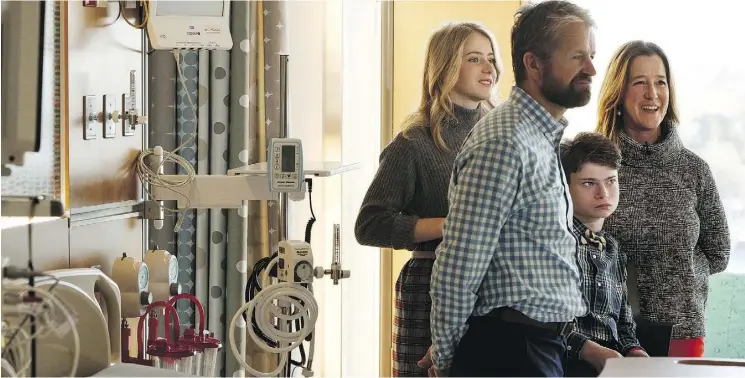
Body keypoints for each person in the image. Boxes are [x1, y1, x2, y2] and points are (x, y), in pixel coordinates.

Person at [422, 1, 596, 376]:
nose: (591, 69)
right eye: (578, 56)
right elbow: (458, 267)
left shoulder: (538, 135)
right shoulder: (506, 141)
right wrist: (449, 359)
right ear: (533, 64)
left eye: (591, 56)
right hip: (511, 352)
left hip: (537, 347)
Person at [354, 22, 503, 377]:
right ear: (446, 66)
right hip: (427, 289)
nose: (489, 69)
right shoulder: (413, 142)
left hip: (494, 288)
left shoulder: (503, 137)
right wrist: (449, 226)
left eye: (492, 59)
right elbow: (369, 225)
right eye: (474, 58)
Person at [595, 40, 731, 358]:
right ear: (619, 92)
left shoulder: (694, 169)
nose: (652, 94)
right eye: (639, 82)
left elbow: (719, 252)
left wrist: (678, 279)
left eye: (660, 82)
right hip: (607, 332)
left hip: (681, 332)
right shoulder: (593, 164)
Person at [559, 132, 649, 377]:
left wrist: (634, 350)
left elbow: (624, 323)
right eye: (589, 183)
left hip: (614, 363)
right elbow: (543, 324)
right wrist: (588, 350)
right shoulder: (555, 244)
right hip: (567, 363)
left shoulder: (613, 249)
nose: (604, 193)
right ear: (564, 188)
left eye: (610, 181)